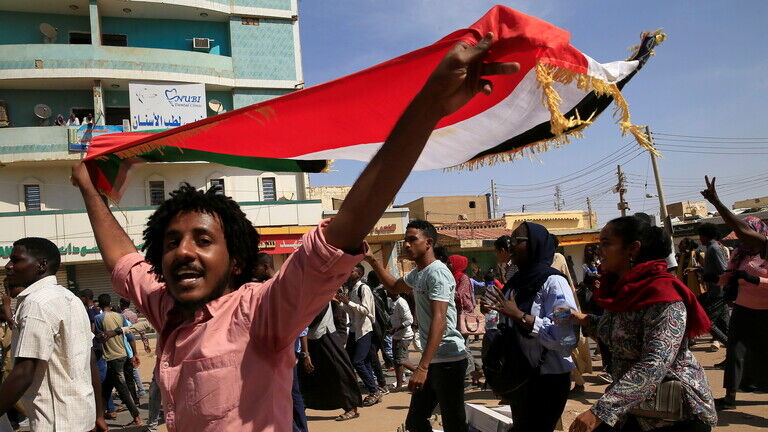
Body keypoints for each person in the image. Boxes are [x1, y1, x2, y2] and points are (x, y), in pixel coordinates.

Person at [72, 32, 518, 430]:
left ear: (238, 263)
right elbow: (124, 262)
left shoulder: (260, 312)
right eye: (172, 243)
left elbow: (338, 237)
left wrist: (428, 107)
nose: (182, 252)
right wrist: (92, 193)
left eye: (203, 240)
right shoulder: (166, 307)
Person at [568, 216, 716, 432]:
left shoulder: (664, 295)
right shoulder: (622, 289)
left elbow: (654, 363)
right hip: (635, 408)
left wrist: (601, 411)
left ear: (633, 249)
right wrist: (582, 319)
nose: (598, 250)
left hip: (674, 414)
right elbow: (619, 331)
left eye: (606, 243)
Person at [366, 219, 469, 432]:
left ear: (428, 242)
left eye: (413, 239)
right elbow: (394, 286)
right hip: (433, 360)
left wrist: (422, 368)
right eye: (406, 240)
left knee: (454, 424)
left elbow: (439, 319)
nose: (406, 245)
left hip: (448, 359)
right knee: (415, 422)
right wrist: (373, 261)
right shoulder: (419, 273)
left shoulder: (437, 272)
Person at [0, 237, 107, 431]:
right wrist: (98, 413)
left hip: (56, 422)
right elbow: (89, 359)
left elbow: (24, 371)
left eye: (16, 260)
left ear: (41, 265)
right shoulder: (71, 299)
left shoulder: (37, 303)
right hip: (81, 417)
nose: (8, 266)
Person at [484, 222, 578, 432]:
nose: (511, 247)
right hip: (521, 377)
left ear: (534, 244)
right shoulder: (515, 282)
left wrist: (520, 316)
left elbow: (565, 337)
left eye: (517, 241)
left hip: (548, 380)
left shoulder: (555, 283)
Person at [699, 176, 768, 410]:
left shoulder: (766, 248)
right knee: (735, 351)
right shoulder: (740, 253)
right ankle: (730, 398)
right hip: (744, 309)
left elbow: (739, 228)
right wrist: (713, 278)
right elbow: (728, 276)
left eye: (747, 235)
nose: (742, 239)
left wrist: (716, 202)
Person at [299, 303, 363, 421]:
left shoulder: (325, 295)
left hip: (326, 334)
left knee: (340, 371)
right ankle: (300, 406)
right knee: (307, 373)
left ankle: (351, 407)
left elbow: (338, 317)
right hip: (310, 339)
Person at [336, 264, 382, 406]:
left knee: (358, 362)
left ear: (360, 274)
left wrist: (348, 302)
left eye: (353, 270)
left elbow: (366, 310)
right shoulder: (352, 289)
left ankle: (374, 390)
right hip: (355, 330)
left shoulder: (364, 288)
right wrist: (341, 303)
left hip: (364, 330)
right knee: (356, 360)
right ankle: (371, 388)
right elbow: (352, 312)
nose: (349, 272)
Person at [94, 293, 142, 426]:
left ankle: (137, 417)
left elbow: (100, 337)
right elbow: (126, 333)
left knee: (122, 389)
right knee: (106, 388)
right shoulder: (120, 316)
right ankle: (98, 418)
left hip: (112, 357)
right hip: (123, 354)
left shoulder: (98, 318)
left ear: (100, 304)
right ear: (109, 303)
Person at [448, 254, 482, 387]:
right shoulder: (453, 277)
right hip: (454, 315)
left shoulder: (463, 278)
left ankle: (468, 375)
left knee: (463, 345)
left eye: (451, 263)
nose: (448, 265)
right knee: (461, 344)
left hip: (463, 316)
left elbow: (459, 295)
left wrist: (445, 291)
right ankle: (476, 368)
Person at [696, 222, 729, 351]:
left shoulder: (714, 248)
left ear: (706, 235)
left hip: (717, 292)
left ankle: (729, 345)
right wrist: (701, 270)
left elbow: (723, 270)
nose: (700, 239)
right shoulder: (711, 248)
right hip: (717, 291)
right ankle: (732, 356)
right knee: (724, 325)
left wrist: (711, 277)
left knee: (706, 322)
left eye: (701, 235)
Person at [388, 290, 416, 390]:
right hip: (396, 335)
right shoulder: (391, 301)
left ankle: (420, 372)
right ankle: (399, 385)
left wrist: (397, 328)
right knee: (397, 361)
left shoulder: (401, 302)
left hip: (404, 336)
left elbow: (409, 320)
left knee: (401, 360)